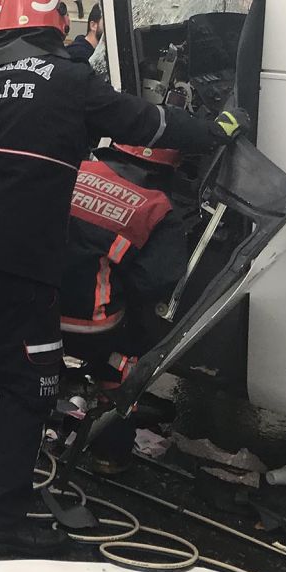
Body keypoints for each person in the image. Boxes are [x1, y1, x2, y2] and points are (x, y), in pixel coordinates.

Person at [0, 0, 244, 556]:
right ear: (54, 30)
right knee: (28, 387)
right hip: (18, 265)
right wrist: (219, 129)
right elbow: (154, 126)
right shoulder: (71, 82)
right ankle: (1, 522)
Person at [61, 142, 190, 473]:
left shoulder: (75, 169)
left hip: (31, 310)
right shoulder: (158, 207)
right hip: (91, 327)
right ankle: (109, 455)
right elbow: (154, 282)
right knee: (125, 360)